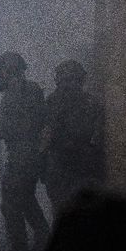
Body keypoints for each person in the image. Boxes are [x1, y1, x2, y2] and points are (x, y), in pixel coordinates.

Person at [0, 51, 50, 251]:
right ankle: (43, 241)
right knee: (26, 200)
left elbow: (28, 126)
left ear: (10, 69)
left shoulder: (27, 91)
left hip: (26, 153)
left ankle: (20, 248)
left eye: (1, 69)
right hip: (20, 153)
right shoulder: (13, 93)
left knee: (11, 202)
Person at [42, 61, 104, 213]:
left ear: (79, 80)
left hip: (82, 167)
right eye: (65, 80)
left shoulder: (92, 104)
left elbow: (99, 138)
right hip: (63, 166)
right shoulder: (52, 103)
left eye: (71, 79)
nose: (68, 85)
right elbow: (45, 135)